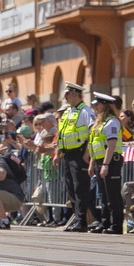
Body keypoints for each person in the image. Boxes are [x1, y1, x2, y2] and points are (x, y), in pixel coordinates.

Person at [56, 81, 94, 232]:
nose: (65, 96)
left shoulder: (85, 111)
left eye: (67, 94)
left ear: (74, 94)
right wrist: (58, 152)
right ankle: (77, 219)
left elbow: (93, 131)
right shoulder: (68, 112)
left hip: (79, 153)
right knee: (71, 188)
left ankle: (82, 221)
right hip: (68, 154)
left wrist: (87, 152)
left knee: (80, 188)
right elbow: (63, 134)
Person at [87, 92, 124, 234]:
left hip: (110, 161)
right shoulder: (99, 123)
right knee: (103, 194)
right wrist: (92, 163)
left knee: (112, 194)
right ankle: (105, 222)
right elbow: (94, 145)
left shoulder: (111, 122)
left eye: (97, 104)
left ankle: (116, 226)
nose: (95, 107)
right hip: (99, 161)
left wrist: (106, 165)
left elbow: (112, 145)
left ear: (105, 105)